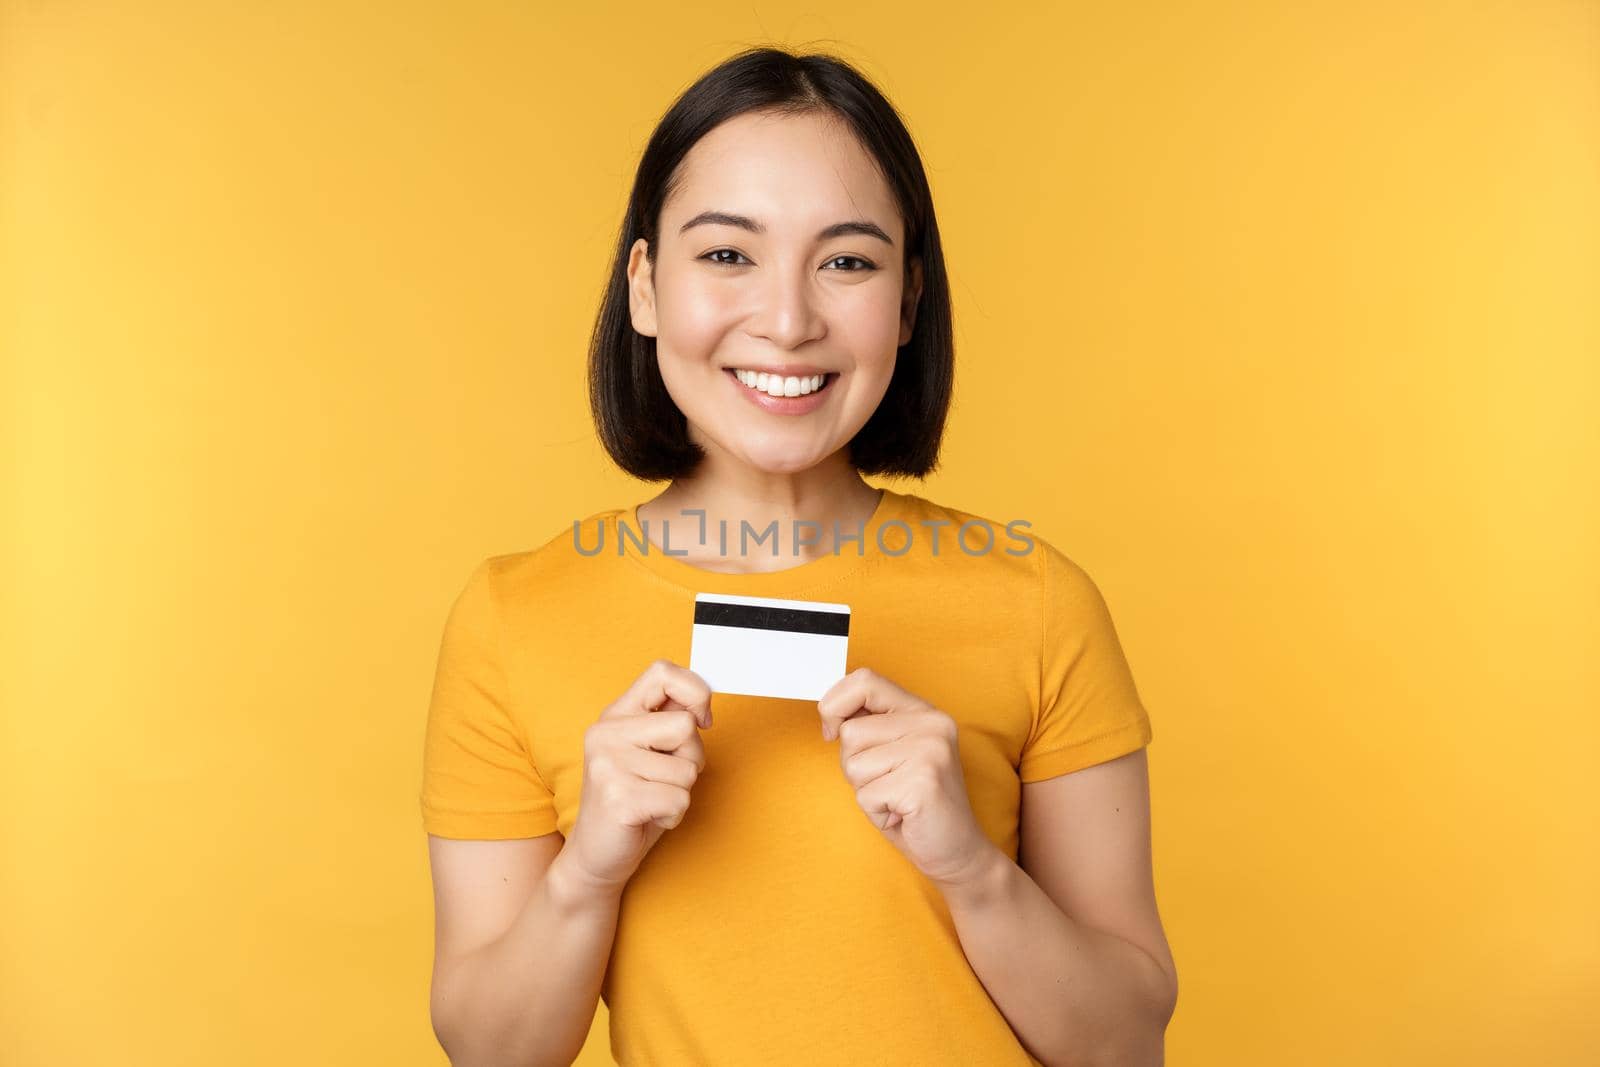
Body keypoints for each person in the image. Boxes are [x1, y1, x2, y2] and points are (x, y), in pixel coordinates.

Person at [420, 46, 1177, 1067]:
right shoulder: (514, 616)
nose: (786, 320)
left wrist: (970, 867)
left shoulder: (1038, 602)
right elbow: (491, 1052)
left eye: (847, 260)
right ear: (645, 287)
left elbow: (1123, 1044)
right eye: (728, 255)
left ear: (906, 305)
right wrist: (586, 874)